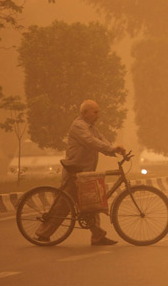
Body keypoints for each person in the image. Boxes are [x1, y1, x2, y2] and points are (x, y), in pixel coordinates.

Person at [34, 100, 126, 246]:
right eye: (95, 112)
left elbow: (100, 139)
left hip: (86, 173)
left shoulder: (91, 127)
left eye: (98, 112)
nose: (98, 115)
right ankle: (43, 234)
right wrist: (110, 150)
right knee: (63, 205)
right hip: (75, 172)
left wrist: (114, 149)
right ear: (85, 113)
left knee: (92, 204)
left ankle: (97, 236)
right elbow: (91, 142)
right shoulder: (78, 126)